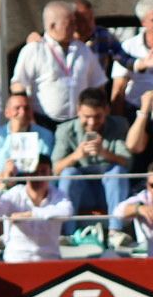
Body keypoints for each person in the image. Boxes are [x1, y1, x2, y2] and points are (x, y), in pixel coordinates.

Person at [53, 87, 130, 241]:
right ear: (78, 110)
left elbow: (127, 163)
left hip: (109, 191)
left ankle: (115, 232)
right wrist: (76, 156)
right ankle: (68, 234)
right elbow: (56, 169)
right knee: (69, 174)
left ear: (107, 110)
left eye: (97, 116)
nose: (92, 122)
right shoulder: (65, 130)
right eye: (86, 116)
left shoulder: (119, 125)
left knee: (117, 172)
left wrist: (104, 153)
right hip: (82, 192)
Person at [0, 155, 73, 264]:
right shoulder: (14, 194)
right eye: (34, 172)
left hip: (49, 261)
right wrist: (1, 185)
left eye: (43, 171)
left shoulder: (58, 195)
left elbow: (67, 212)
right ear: (27, 174)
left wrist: (30, 215)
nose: (38, 176)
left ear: (50, 174)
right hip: (16, 261)